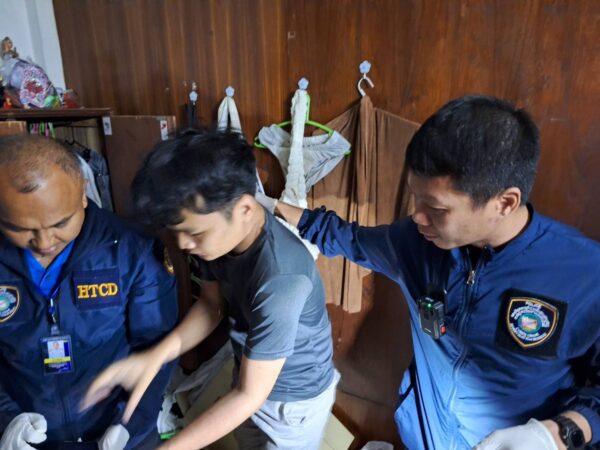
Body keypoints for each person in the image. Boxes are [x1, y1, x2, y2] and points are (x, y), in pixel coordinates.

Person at [266, 95, 600, 450]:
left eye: (437, 208)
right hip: (428, 439)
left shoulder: (585, 274)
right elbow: (346, 237)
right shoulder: (415, 242)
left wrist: (557, 434)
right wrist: (268, 206)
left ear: (504, 203)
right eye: (415, 196)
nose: (417, 216)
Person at [82, 129, 338, 450]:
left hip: (294, 403)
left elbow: (248, 396)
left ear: (245, 210)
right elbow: (210, 305)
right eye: (178, 232)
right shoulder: (217, 238)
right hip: (249, 374)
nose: (183, 244)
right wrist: (156, 356)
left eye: (194, 234)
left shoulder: (281, 279)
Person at [0, 135, 178, 450]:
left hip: (120, 433)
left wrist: (130, 423)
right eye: (20, 228)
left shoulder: (131, 250)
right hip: (27, 437)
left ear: (83, 193)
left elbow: (158, 350)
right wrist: (6, 419)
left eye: (60, 223)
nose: (44, 242)